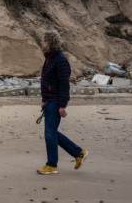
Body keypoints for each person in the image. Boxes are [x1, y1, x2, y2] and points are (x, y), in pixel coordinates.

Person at [37, 30, 88, 175]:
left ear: (49, 42)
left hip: (55, 101)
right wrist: (43, 100)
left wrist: (62, 105)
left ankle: (52, 165)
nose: (41, 43)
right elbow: (47, 80)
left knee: (50, 133)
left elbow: (64, 84)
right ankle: (79, 153)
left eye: (43, 41)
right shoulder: (49, 58)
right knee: (51, 133)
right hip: (49, 101)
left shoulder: (60, 59)